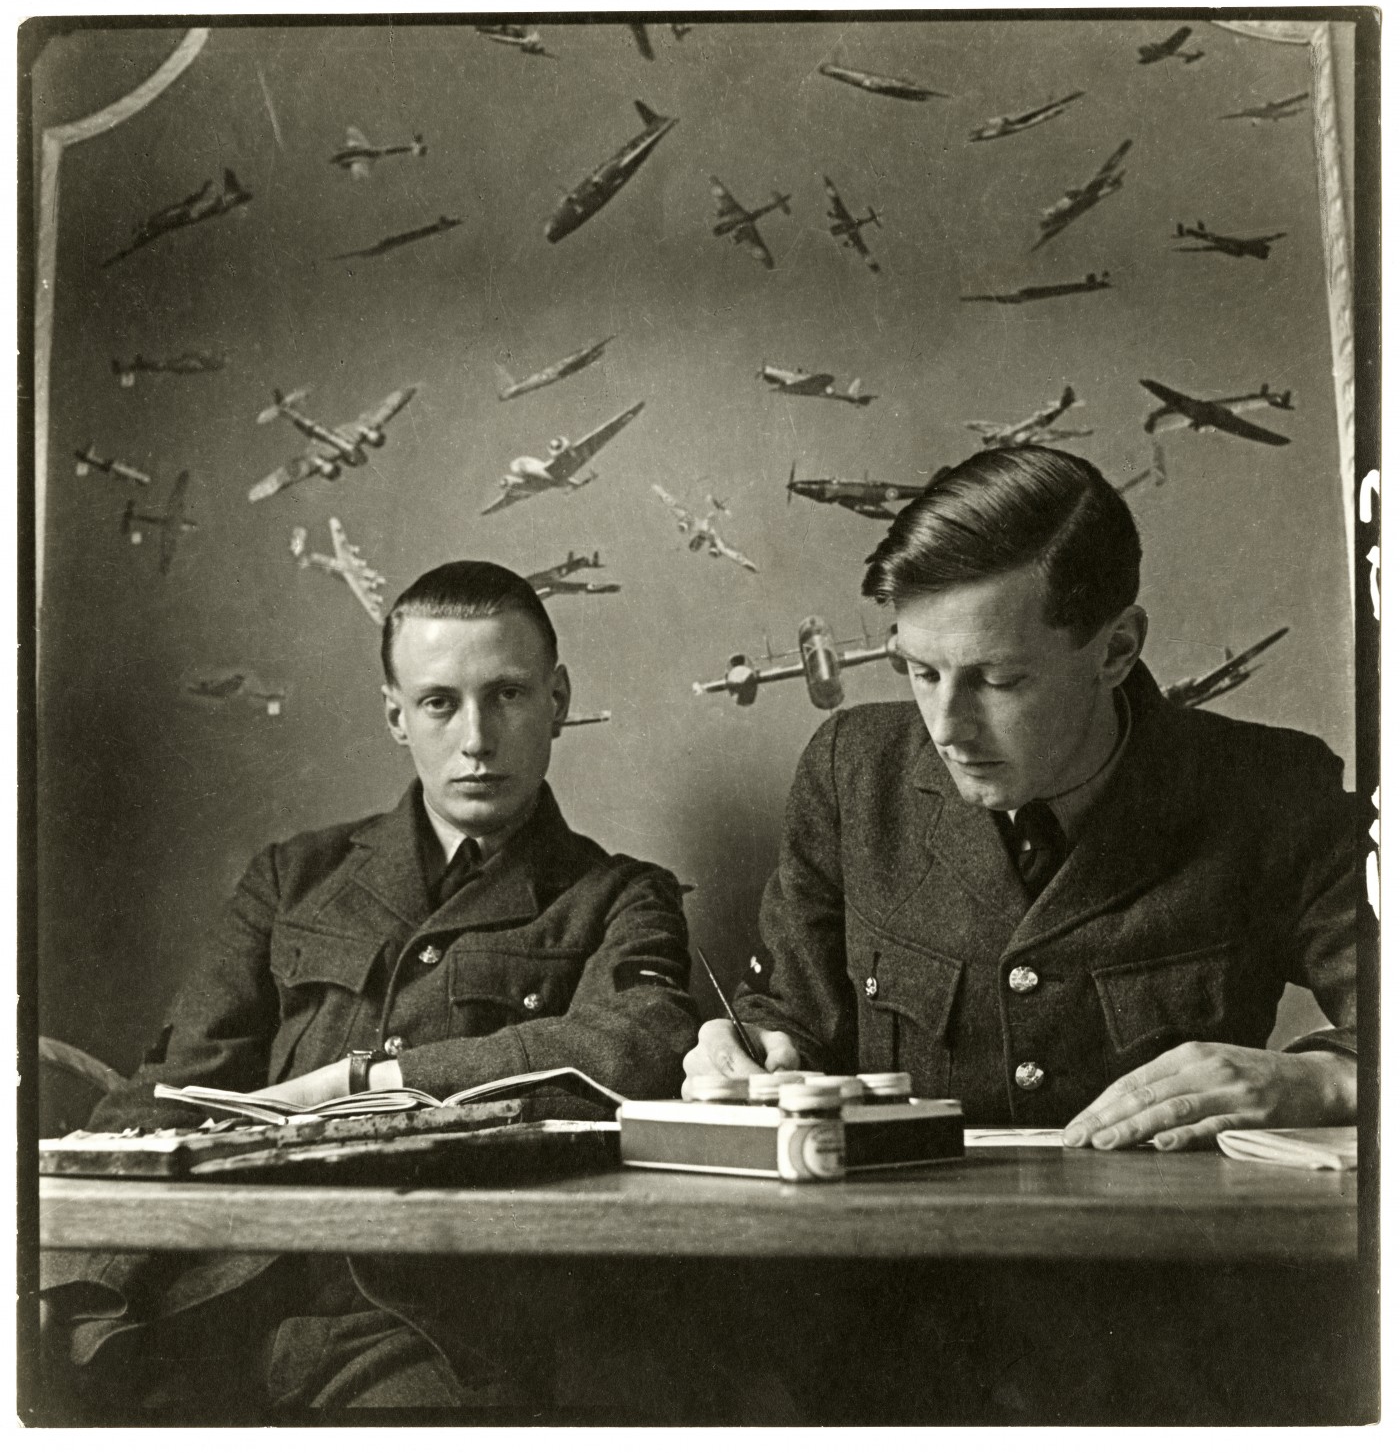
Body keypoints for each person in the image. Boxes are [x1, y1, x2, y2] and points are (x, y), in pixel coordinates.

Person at [40, 560, 699, 1415]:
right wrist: (75, 1285)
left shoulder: (618, 896)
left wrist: (372, 1082)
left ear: (559, 700)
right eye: (439, 703)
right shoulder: (292, 878)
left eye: (506, 695)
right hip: (217, 1297)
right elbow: (172, 1094)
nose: (475, 738)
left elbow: (642, 1045)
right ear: (396, 714)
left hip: (429, 1321)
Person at [684, 445, 1356, 1149]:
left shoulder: (1274, 790)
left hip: (1177, 1249)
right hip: (908, 1253)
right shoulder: (849, 773)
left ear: (1116, 650)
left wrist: (1324, 1077)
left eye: (999, 681)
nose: (946, 727)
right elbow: (791, 1024)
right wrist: (749, 1054)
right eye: (920, 671)